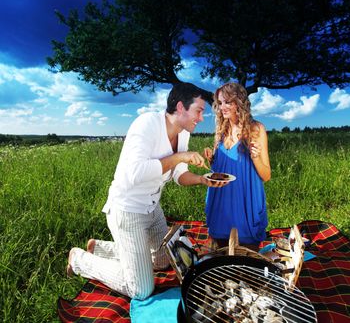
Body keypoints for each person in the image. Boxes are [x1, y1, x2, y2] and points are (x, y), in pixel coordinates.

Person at [66, 82, 228, 300]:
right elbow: (135, 173)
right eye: (198, 111)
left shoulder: (183, 134)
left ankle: (100, 248)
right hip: (128, 210)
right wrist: (180, 157)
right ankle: (79, 260)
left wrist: (202, 179)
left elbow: (179, 175)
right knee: (141, 290)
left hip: (153, 209)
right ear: (180, 107)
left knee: (165, 259)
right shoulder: (147, 124)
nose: (200, 118)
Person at [204, 82, 271, 250]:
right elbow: (220, 171)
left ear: (239, 102)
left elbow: (266, 175)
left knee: (247, 259)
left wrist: (255, 157)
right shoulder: (221, 130)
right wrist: (212, 159)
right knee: (221, 259)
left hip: (245, 203)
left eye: (227, 102)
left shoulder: (256, 128)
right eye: (219, 103)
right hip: (221, 203)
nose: (222, 107)